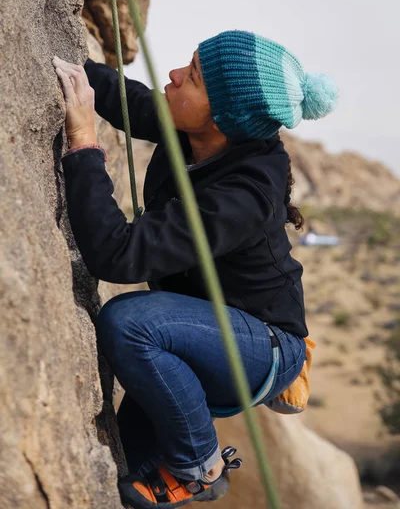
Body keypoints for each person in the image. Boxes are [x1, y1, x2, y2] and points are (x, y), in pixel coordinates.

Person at [53, 30, 337, 508]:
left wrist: (83, 142)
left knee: (128, 323)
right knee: (127, 477)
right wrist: (60, 52)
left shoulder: (245, 194)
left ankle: (201, 466)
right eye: (188, 64)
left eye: (194, 78)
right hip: (196, 329)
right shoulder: (196, 132)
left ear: (223, 117)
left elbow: (116, 254)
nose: (174, 75)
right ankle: (179, 464)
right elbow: (130, 100)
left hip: (260, 344)